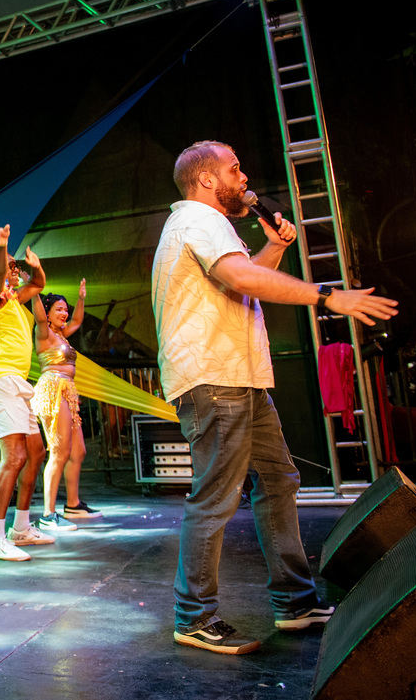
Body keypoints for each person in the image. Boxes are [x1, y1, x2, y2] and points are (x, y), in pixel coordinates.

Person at [153, 140, 397, 655]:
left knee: (278, 481)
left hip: (240, 378)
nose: (244, 178)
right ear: (206, 180)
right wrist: (328, 295)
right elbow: (241, 276)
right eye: (234, 169)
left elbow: (241, 285)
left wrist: (275, 248)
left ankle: (295, 602)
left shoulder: (210, 226)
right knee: (216, 496)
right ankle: (193, 617)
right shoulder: (197, 218)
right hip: (215, 380)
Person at [0, 225, 55, 560]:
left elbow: (38, 284)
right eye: (9, 265)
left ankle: (20, 528)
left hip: (18, 382)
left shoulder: (13, 299)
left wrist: (35, 267)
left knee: (36, 452)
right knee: (15, 456)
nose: (12, 268)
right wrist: (2, 247)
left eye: (13, 265)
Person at [32, 282, 103, 531]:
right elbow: (39, 316)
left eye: (65, 309)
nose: (64, 313)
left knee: (78, 451)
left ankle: (73, 504)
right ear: (48, 313)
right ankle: (48, 514)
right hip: (52, 389)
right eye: (59, 310)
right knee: (59, 452)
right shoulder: (44, 333)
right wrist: (34, 291)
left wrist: (81, 299)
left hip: (68, 392)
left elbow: (77, 320)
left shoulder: (62, 334)